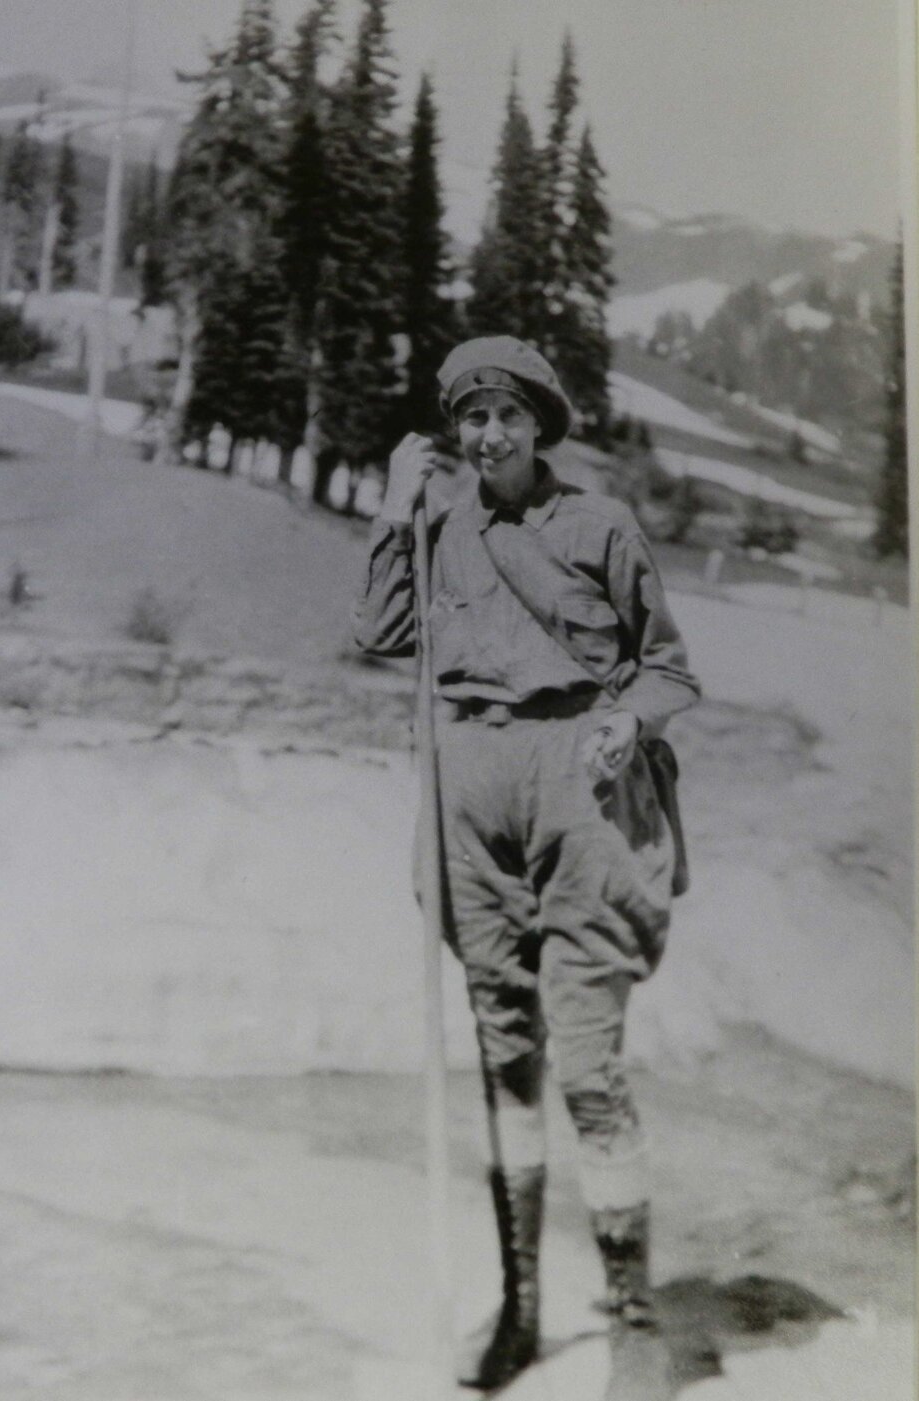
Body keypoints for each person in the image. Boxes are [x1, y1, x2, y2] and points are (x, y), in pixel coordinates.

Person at [353, 335, 700, 1390]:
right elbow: (378, 634)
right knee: (507, 1055)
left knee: (586, 1066)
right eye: (469, 418)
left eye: (505, 416)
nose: (487, 434)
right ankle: (521, 1310)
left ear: (538, 425)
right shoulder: (439, 528)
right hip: (469, 785)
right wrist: (391, 508)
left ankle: (634, 1322)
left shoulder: (597, 525)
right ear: (453, 433)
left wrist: (625, 726)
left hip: (579, 787)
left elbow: (667, 670)